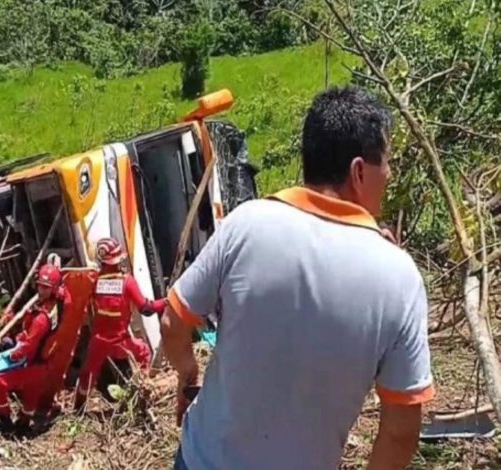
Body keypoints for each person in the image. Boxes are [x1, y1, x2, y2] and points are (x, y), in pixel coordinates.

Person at [162, 86, 434, 470]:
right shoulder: (399, 278)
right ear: (359, 171)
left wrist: (189, 377)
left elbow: (173, 322)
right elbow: (400, 430)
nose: (388, 175)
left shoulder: (246, 225)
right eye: (386, 163)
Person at [73, 237, 166, 410]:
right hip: (119, 341)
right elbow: (146, 308)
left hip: (99, 340)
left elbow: (82, 304)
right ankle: (144, 395)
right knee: (143, 353)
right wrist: (166, 302)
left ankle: (78, 407)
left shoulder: (93, 281)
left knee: (88, 373)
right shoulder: (127, 282)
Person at [0, 263, 69, 432]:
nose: (41, 290)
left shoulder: (41, 319)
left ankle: (6, 423)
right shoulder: (58, 305)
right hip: (44, 363)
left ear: (53, 289)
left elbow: (28, 346)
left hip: (33, 362)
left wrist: (12, 355)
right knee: (32, 392)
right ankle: (24, 423)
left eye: (46, 288)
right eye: (40, 285)